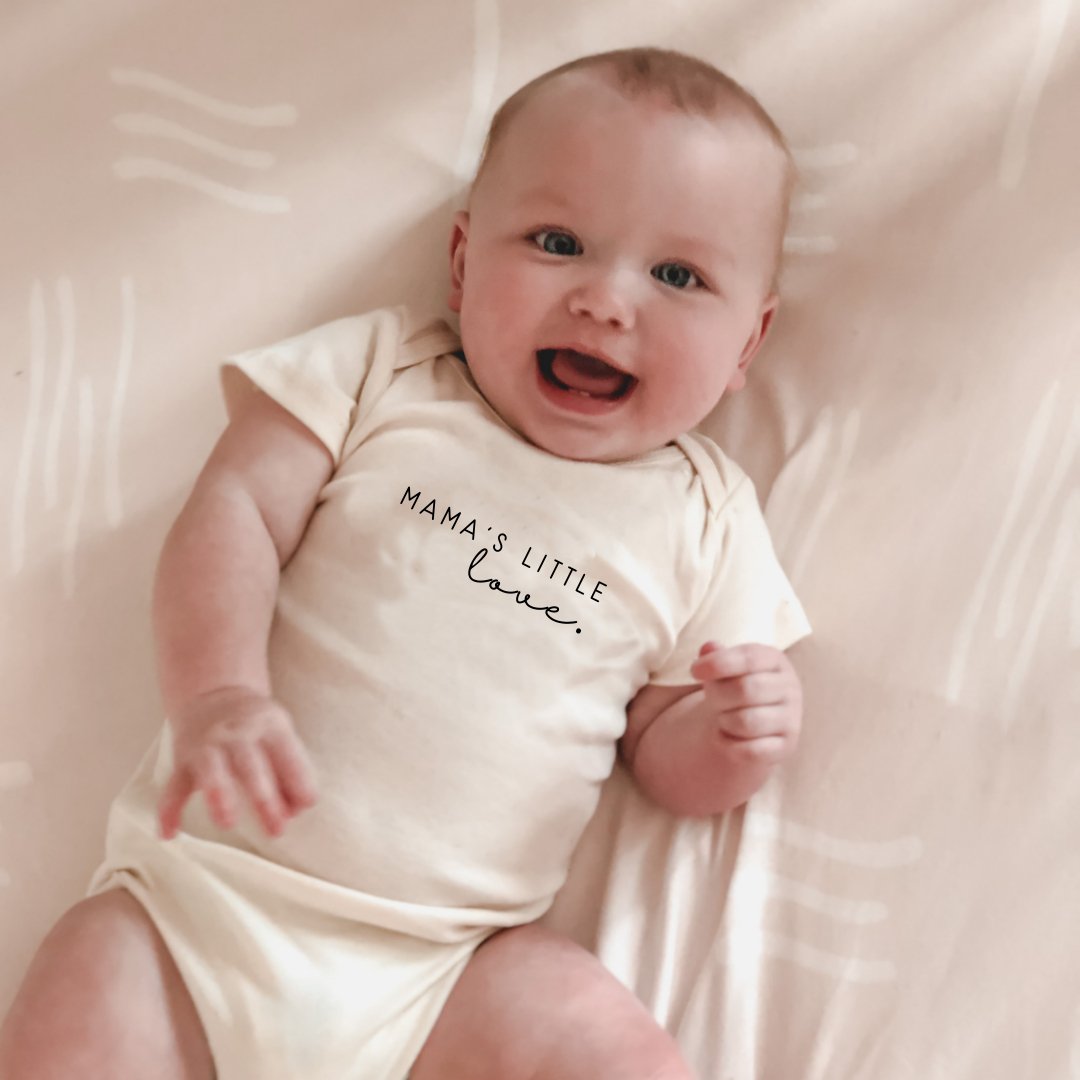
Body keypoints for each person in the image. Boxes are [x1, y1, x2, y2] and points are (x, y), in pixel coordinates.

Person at [0, 46, 809, 1080]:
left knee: (611, 1049)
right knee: (85, 997)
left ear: (749, 344)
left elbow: (662, 756)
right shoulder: (386, 371)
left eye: (678, 276)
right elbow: (234, 515)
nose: (607, 301)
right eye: (558, 243)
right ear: (463, 261)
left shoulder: (706, 517)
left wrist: (734, 739)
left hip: (447, 971)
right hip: (198, 909)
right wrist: (220, 694)